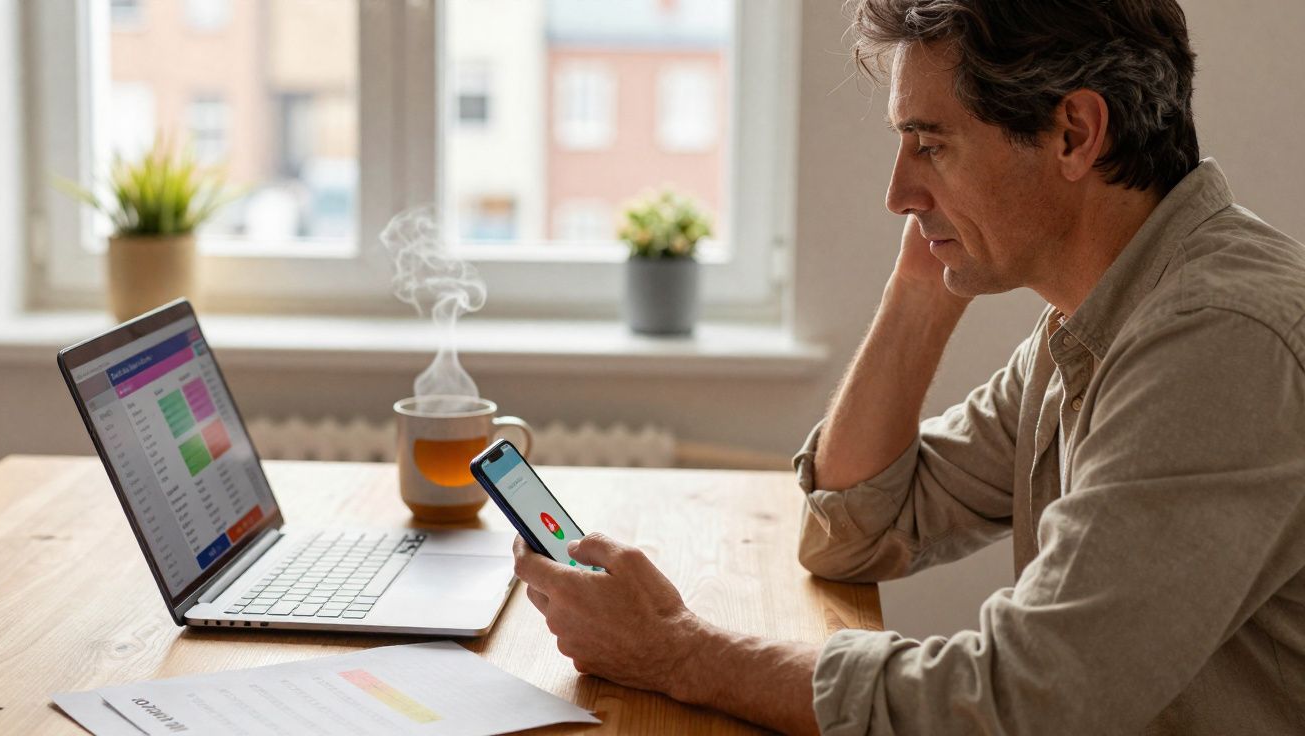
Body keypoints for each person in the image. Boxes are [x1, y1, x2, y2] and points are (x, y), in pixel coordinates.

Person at [512, 0, 1305, 732]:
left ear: (1073, 135)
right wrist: (921, 291)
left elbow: (1023, 701)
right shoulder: (1094, 324)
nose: (898, 192)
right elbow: (856, 530)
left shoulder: (1217, 343)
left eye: (930, 144)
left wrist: (678, 651)